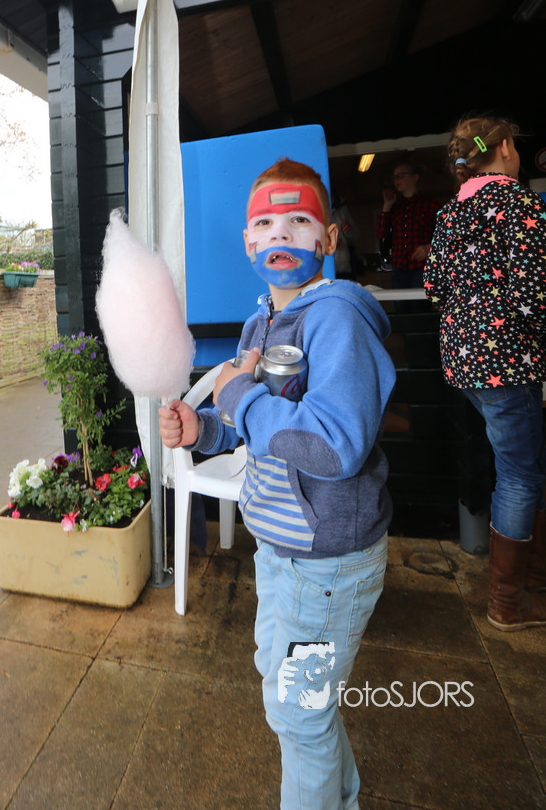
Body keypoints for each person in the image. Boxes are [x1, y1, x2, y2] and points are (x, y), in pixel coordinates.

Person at [159, 157, 395, 810]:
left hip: (324, 563)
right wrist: (203, 429)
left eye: (298, 220)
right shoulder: (258, 323)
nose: (280, 233)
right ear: (247, 242)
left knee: (298, 714)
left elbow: (333, 445)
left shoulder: (335, 319)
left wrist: (239, 398)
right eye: (264, 224)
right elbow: (249, 427)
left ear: (328, 237)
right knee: (292, 696)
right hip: (278, 548)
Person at [424, 114, 546, 631]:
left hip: (464, 364)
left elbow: (433, 287)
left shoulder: (451, 212)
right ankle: (507, 604)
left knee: (522, 466)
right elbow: (534, 294)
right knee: (520, 475)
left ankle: (526, 583)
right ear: (505, 148)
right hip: (508, 363)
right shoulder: (520, 203)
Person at [375, 161, 438, 298]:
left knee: (419, 305)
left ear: (415, 177)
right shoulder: (396, 206)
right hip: (399, 267)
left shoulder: (430, 204)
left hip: (421, 266)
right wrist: (387, 205)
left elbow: (444, 234)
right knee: (400, 305)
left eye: (401, 175)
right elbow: (380, 232)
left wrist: (429, 247)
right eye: (394, 177)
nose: (396, 180)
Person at [331, 190, 359, 281]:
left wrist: (348, 230)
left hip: (344, 269)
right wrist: (328, 243)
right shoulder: (312, 211)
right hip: (320, 271)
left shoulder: (341, 209)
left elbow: (355, 237)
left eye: (331, 194)